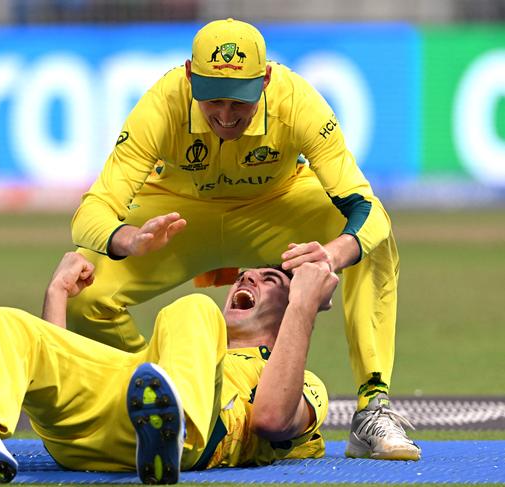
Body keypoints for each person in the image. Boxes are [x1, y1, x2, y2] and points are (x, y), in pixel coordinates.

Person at [66, 18, 419, 460]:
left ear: (266, 79)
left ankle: (373, 406)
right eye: (213, 99)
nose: (227, 117)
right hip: (179, 217)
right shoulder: (163, 102)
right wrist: (128, 240)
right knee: (83, 292)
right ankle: (159, 395)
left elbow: (365, 209)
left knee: (370, 238)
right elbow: (90, 213)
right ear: (190, 75)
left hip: (278, 209)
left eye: (242, 101)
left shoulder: (298, 102)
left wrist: (332, 253)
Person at [0, 251, 357, 484]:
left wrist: (304, 303)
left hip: (197, 439)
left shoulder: (304, 384)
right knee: (5, 321)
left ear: (289, 305)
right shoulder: (182, 358)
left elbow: (273, 420)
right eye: (246, 275)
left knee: (191, 311)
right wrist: (57, 295)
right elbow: (65, 366)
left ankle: (174, 426)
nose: (247, 279)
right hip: (115, 419)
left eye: (269, 279)